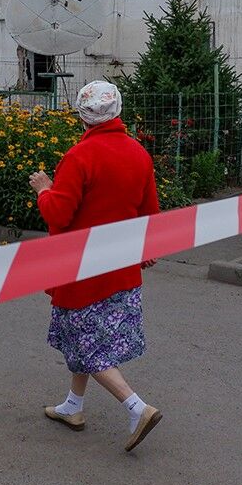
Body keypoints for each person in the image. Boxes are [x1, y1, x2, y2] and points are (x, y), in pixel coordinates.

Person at [29, 80, 162, 452]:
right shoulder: (139, 154)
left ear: (82, 116)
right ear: (118, 111)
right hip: (120, 269)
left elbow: (59, 211)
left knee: (87, 345)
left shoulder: (79, 157)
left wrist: (43, 188)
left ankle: (137, 408)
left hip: (83, 271)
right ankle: (73, 407)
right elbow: (148, 213)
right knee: (83, 338)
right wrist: (144, 250)